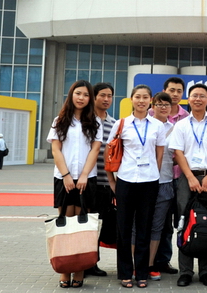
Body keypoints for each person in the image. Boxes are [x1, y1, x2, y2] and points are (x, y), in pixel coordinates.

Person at [106, 84, 166, 289]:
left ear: (150, 101)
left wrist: (155, 173)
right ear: (131, 99)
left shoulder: (157, 125)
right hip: (126, 179)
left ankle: (141, 273)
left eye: (145, 97)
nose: (141, 101)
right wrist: (112, 181)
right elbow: (109, 153)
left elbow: (159, 154)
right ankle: (125, 272)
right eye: (137, 97)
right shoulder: (121, 124)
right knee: (123, 229)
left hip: (149, 181)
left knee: (144, 228)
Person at [170, 83, 207, 287]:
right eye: (194, 95)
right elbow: (178, 152)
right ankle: (185, 271)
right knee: (184, 221)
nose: (198, 99)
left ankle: (206, 272)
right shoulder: (181, 125)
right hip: (187, 178)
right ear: (189, 98)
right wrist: (190, 177)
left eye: (202, 96)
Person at [47, 80, 102, 288]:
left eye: (86, 95)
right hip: (64, 178)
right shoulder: (60, 120)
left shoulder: (95, 121)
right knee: (66, 222)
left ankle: (79, 271)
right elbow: (56, 150)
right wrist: (67, 175)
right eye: (78, 93)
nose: (81, 98)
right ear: (71, 95)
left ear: (90, 99)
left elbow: (95, 150)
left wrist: (84, 175)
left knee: (82, 225)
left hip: (87, 178)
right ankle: (64, 271)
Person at [150, 76, 188, 275]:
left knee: (173, 222)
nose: (175, 94)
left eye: (179, 91)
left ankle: (163, 260)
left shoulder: (186, 117)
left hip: (179, 177)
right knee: (158, 221)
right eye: (171, 90)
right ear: (164, 91)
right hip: (155, 178)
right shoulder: (150, 114)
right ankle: (151, 261)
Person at [86, 82, 116, 277]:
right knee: (85, 223)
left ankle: (93, 262)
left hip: (105, 181)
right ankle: (83, 262)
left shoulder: (114, 123)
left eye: (109, 96)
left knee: (99, 223)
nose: (106, 99)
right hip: (87, 180)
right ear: (94, 97)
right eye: (102, 95)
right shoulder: (86, 120)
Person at [147, 92, 176, 281]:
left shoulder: (175, 129)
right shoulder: (146, 125)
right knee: (139, 225)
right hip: (143, 182)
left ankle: (152, 264)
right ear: (153, 106)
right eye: (159, 104)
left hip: (165, 181)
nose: (163, 107)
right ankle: (137, 263)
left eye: (167, 104)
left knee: (158, 226)